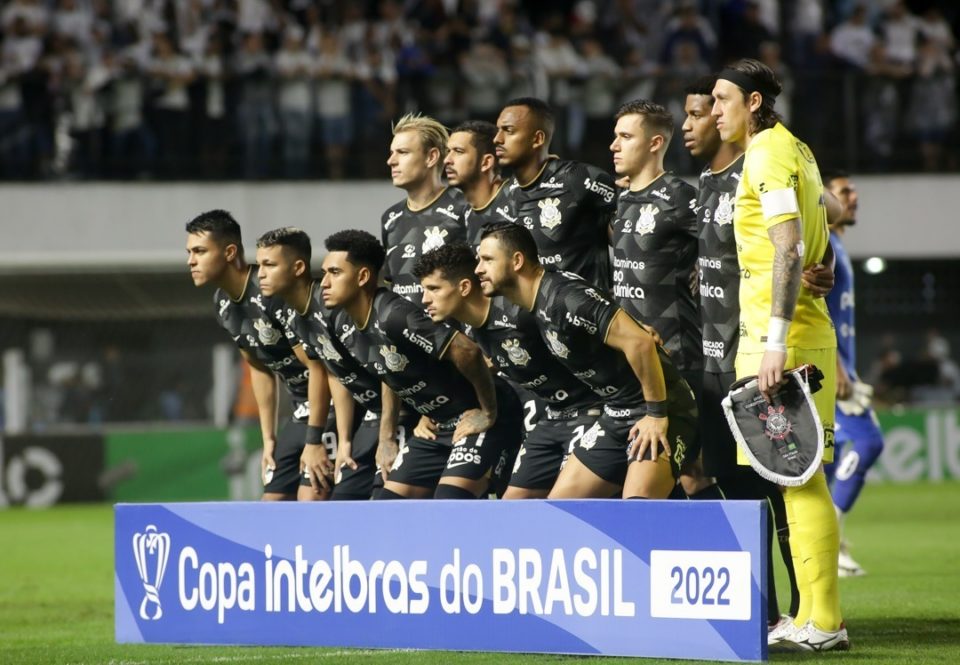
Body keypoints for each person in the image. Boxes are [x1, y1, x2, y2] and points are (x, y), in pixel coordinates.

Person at [712, 59, 847, 651]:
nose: (716, 110)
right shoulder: (800, 150)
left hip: (782, 343)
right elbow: (828, 220)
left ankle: (823, 622)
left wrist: (773, 342)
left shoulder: (765, 152)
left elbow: (789, 246)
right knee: (795, 478)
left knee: (799, 481)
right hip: (796, 334)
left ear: (756, 103)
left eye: (723, 99)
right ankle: (814, 618)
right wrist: (833, 263)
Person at [682, 75, 801, 636]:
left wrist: (816, 267)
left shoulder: (753, 170)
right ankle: (769, 614)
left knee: (781, 490)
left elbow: (812, 212)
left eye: (700, 112)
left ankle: (808, 611)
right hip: (710, 366)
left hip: (750, 358)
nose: (691, 124)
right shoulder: (699, 187)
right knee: (737, 488)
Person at [478, 222, 698, 500]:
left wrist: (656, 415)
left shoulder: (564, 297)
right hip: (616, 413)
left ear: (517, 261)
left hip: (662, 408)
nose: (478, 269)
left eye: (487, 260)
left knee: (638, 510)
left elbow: (640, 343)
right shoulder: (537, 301)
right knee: (561, 509)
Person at [320, 229, 523, 499]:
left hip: (480, 416)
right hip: (436, 426)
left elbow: (468, 350)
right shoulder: (341, 323)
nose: (323, 282)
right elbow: (389, 372)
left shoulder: (395, 315)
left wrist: (487, 411)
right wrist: (387, 437)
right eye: (324, 272)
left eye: (334, 273)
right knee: (387, 505)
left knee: (450, 501)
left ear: (363, 277)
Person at [413, 242, 601, 498]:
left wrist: (635, 329)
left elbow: (589, 318)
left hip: (594, 409)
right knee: (512, 511)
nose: (424, 299)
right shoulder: (466, 330)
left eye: (433, 289)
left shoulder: (519, 312)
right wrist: (481, 412)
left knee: (564, 506)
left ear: (465, 287)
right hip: (551, 417)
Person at [254, 227, 417, 500]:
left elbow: (387, 369)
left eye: (269, 265)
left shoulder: (334, 310)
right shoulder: (296, 315)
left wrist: (419, 417)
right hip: (366, 417)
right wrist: (344, 442)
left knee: (384, 500)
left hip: (400, 413)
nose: (260, 273)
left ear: (297, 268)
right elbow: (333, 374)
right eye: (259, 265)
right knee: (334, 502)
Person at [609, 98, 716, 499]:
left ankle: (734, 558)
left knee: (690, 473)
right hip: (630, 365)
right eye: (614, 137)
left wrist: (707, 266)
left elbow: (732, 242)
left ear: (655, 143)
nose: (614, 146)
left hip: (676, 359)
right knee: (679, 477)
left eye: (624, 137)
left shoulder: (679, 197)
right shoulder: (619, 200)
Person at [185, 210, 330, 502]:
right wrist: (269, 438)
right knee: (271, 503)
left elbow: (320, 367)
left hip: (332, 406)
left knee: (310, 498)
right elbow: (260, 368)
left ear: (229, 252)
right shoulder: (222, 304)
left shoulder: (272, 291)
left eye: (199, 251)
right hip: (302, 410)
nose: (191, 260)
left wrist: (314, 440)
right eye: (189, 252)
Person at [822, 171, 885, 577]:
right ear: (826, 197)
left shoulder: (839, 244)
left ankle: (830, 547)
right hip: (830, 369)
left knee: (827, 461)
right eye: (845, 192)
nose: (854, 197)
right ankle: (830, 537)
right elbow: (813, 305)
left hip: (838, 365)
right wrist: (838, 364)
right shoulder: (823, 242)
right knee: (867, 440)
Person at [494, 97, 616, 289]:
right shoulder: (507, 192)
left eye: (508, 130)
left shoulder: (579, 179)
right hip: (533, 316)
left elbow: (628, 240)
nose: (497, 139)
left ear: (537, 139)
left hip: (584, 312)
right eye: (498, 130)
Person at [381, 113, 468, 307]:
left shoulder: (465, 208)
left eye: (402, 152)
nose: (391, 161)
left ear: (431, 157)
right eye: (391, 152)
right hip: (404, 335)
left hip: (455, 335)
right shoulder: (390, 218)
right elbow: (391, 287)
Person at [444, 120, 516, 247]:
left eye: (458, 151)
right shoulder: (458, 214)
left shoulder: (517, 201)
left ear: (486, 163)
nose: (447, 160)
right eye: (448, 151)